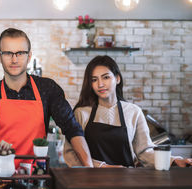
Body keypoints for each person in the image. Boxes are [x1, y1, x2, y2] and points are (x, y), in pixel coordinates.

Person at [0, 28, 93, 167]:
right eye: (8, 53)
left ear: (29, 56)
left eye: (20, 53)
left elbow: (72, 128)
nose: (14, 60)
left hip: (36, 178)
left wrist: (90, 169)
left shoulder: (48, 89)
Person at [64, 55, 192, 168]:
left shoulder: (133, 112)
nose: (100, 84)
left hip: (127, 182)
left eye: (106, 77)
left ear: (117, 79)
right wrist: (102, 167)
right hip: (90, 184)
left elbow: (145, 152)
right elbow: (71, 154)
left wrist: (174, 160)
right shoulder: (81, 113)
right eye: (94, 80)